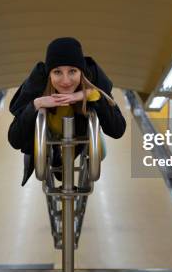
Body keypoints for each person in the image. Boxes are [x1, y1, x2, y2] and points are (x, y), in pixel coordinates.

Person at [8, 37, 127, 186]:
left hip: (81, 132)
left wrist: (90, 95)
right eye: (57, 72)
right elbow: (15, 139)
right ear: (49, 74)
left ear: (81, 72)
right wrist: (35, 104)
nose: (65, 81)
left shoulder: (94, 80)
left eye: (72, 71)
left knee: (100, 151)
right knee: (45, 153)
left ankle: (62, 162)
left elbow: (117, 130)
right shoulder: (38, 85)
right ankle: (56, 159)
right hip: (47, 134)